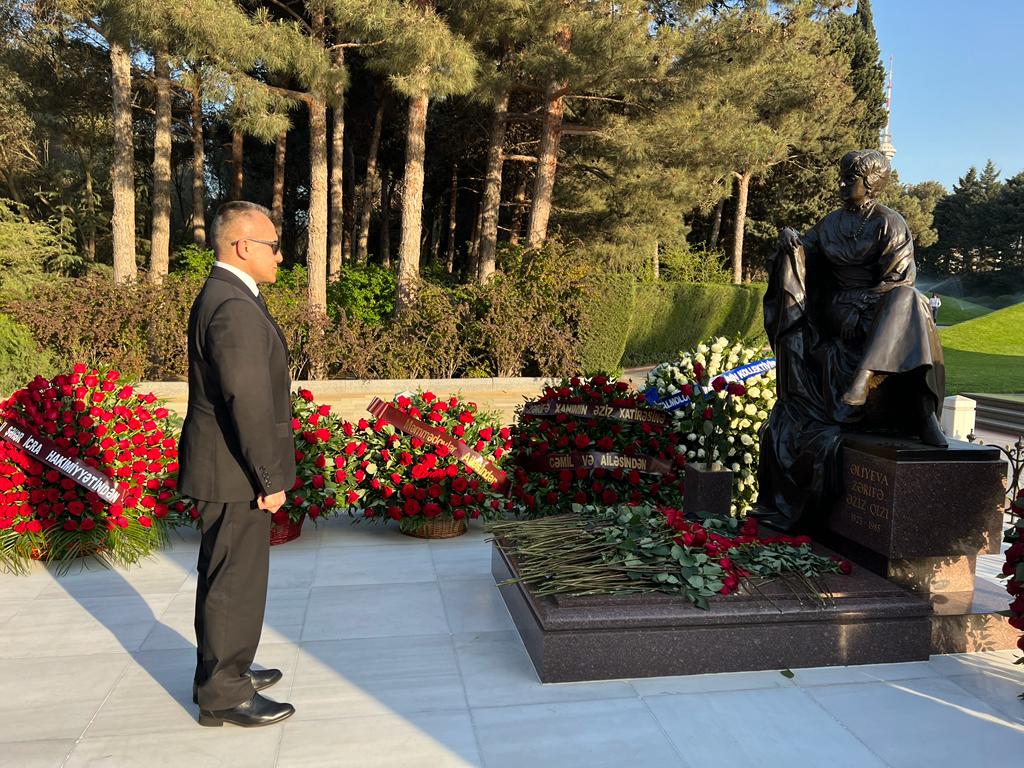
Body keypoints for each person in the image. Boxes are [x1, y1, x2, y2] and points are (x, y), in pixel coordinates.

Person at [756, 149, 946, 530]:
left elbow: (900, 280)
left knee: (910, 300)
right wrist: (791, 241)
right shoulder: (831, 223)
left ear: (871, 183)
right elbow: (806, 252)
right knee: (904, 304)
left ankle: (875, 384)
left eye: (850, 178)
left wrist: (861, 305)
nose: (843, 184)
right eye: (843, 177)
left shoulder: (890, 223)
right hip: (837, 313)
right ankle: (893, 398)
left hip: (878, 311)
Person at [178, 201, 297, 727]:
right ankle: (224, 693)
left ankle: (226, 671)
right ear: (243, 246)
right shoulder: (232, 306)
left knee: (226, 576)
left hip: (227, 467)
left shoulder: (229, 295)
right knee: (235, 582)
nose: (280, 256)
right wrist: (267, 478)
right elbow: (245, 400)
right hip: (235, 472)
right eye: (273, 246)